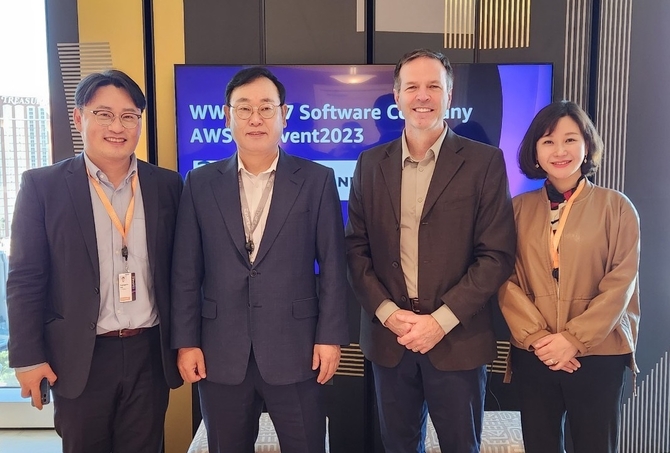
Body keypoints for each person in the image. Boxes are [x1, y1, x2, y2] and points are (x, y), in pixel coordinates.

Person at [345, 48, 517, 452]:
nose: (422, 96)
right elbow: (355, 250)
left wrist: (440, 321)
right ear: (397, 95)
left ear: (449, 95)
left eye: (433, 86)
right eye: (412, 87)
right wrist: (389, 314)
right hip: (391, 340)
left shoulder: (484, 162)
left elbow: (496, 255)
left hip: (458, 339)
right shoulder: (370, 163)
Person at [171, 66, 349, 453]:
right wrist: (186, 342)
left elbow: (334, 265)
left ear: (284, 115)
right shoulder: (200, 183)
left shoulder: (316, 180)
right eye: (244, 108)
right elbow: (186, 271)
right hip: (219, 351)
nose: (255, 118)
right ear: (227, 116)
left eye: (266, 108)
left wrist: (330, 337)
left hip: (297, 349)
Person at [6, 69, 184, 453]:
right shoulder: (43, 187)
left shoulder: (167, 185)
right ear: (79, 117)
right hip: (79, 355)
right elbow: (25, 278)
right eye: (104, 114)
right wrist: (28, 357)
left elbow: (183, 273)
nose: (117, 127)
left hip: (149, 352)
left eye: (129, 116)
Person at [498, 100, 640, 453]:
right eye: (548, 141)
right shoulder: (516, 210)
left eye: (570, 140)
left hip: (598, 353)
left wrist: (574, 339)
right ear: (535, 151)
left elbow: (621, 284)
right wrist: (539, 339)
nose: (559, 150)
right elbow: (504, 279)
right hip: (536, 352)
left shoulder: (616, 207)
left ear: (587, 145)